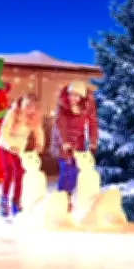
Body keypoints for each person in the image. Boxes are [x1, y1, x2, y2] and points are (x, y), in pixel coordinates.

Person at [50, 81, 98, 212]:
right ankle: (61, 198)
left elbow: (92, 123)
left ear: (82, 97)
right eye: (71, 95)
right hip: (62, 143)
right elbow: (60, 125)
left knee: (75, 172)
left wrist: (92, 141)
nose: (73, 98)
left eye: (76, 96)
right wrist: (65, 143)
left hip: (78, 144)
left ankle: (68, 196)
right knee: (66, 169)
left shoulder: (87, 106)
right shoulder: (62, 105)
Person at [0, 93, 45, 218]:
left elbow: (39, 132)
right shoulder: (13, 113)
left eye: (33, 107)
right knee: (9, 172)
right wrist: (11, 145)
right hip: (6, 145)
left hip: (19, 149)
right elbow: (4, 131)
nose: (30, 109)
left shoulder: (34, 118)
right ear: (22, 103)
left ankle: (16, 201)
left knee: (19, 173)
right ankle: (4, 200)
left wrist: (39, 144)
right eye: (27, 106)